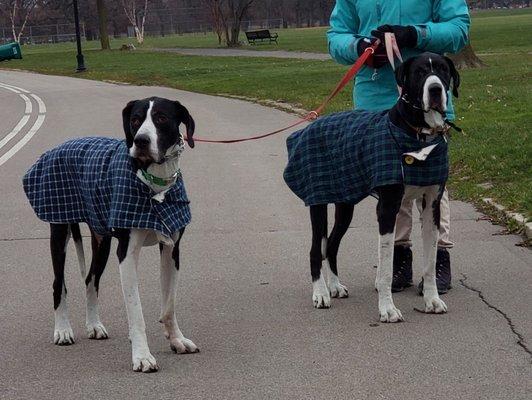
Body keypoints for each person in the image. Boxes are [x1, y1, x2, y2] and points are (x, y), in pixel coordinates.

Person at [327, 0, 470, 294]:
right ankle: (399, 256)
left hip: (426, 103)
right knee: (390, 185)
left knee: (432, 182)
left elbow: (458, 30)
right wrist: (360, 48)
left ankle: (440, 255)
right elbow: (336, 36)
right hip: (373, 101)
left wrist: (414, 35)